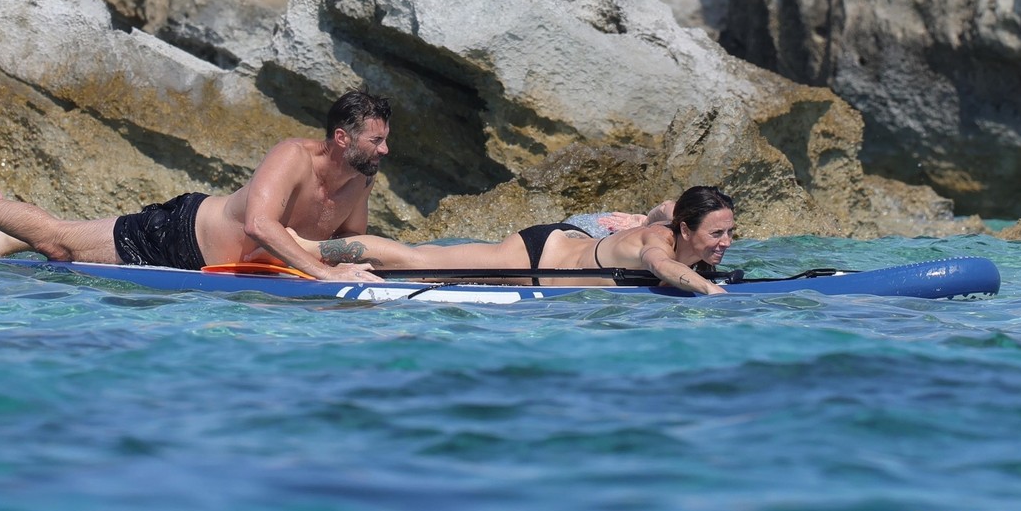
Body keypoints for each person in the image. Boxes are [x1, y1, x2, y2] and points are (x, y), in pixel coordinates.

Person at [0, 90, 392, 282]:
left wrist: (354, 267)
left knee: (60, 243)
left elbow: (347, 242)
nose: (385, 150)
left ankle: (10, 236)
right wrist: (324, 275)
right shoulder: (292, 156)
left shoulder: (359, 181)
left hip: (223, 263)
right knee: (58, 244)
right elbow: (260, 225)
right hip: (178, 236)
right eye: (376, 140)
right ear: (342, 138)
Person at [285, 186, 736, 295]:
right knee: (420, 262)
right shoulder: (659, 245)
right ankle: (306, 247)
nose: (727, 242)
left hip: (585, 236)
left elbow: (669, 208)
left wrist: (647, 214)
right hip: (538, 256)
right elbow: (661, 265)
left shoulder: (678, 225)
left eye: (731, 231)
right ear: (684, 230)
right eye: (717, 233)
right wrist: (714, 293)